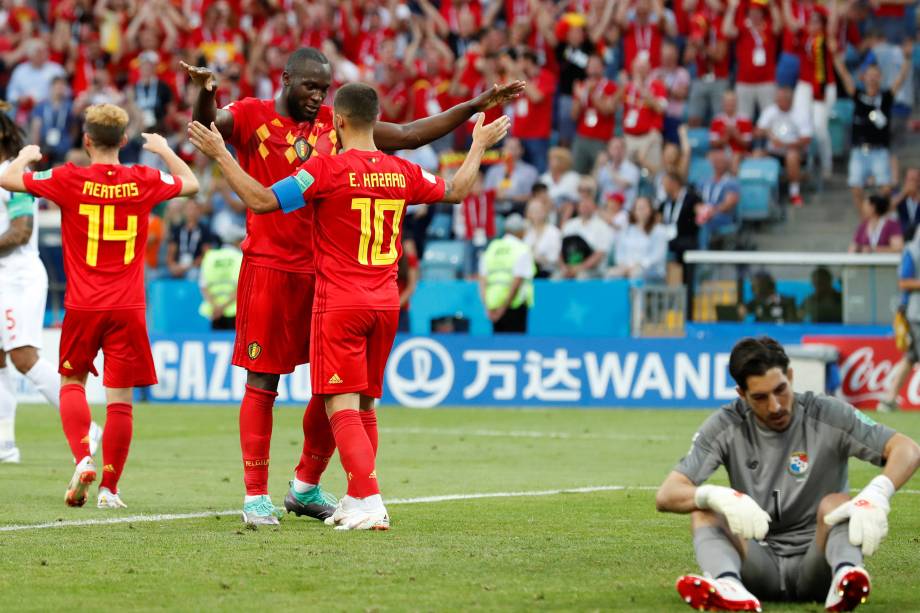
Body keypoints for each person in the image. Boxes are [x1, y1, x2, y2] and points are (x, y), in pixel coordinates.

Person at [182, 48, 523, 525]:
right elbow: (208, 126)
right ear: (285, 80)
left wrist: (475, 104)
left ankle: (305, 485)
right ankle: (255, 494)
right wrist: (204, 91)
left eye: (324, 89)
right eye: (310, 87)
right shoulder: (251, 115)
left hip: (327, 279)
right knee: (264, 382)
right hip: (271, 268)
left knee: (330, 389)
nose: (317, 97)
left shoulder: (335, 124)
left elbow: (408, 133)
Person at [0, 103, 199, 508]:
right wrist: (162, 149)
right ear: (124, 140)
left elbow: (8, 179)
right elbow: (191, 182)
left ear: (86, 140)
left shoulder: (68, 178)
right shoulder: (143, 179)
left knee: (73, 383)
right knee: (120, 401)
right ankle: (111, 489)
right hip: (128, 306)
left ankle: (83, 457)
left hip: (84, 304)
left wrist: (24, 156)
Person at [656, 336, 920, 612]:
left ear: (791, 376)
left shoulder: (828, 413)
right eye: (760, 397)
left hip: (819, 564)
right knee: (703, 509)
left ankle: (845, 579)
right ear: (741, 395)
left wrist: (878, 494)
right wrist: (717, 495)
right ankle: (729, 587)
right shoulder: (726, 424)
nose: (776, 406)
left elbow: (907, 449)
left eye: (780, 390)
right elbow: (667, 494)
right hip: (759, 564)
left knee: (838, 504)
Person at [0, 101, 101, 464]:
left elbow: (22, 231)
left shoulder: (14, 176)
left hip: (18, 277)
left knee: (24, 357)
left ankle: (86, 428)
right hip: (2, 278)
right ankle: (5, 444)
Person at [831, 39, 910, 210]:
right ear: (864, 77)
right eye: (869, 75)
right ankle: (864, 222)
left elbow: (900, 80)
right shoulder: (858, 95)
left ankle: (882, 218)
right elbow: (845, 77)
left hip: (880, 150)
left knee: (886, 187)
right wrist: (836, 57)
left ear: (880, 77)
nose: (872, 79)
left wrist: (907, 60)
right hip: (860, 150)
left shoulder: (886, 97)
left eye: (876, 75)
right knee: (855, 186)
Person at [878, 231, 920, 412]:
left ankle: (889, 399)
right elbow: (903, 282)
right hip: (917, 313)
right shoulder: (912, 251)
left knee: (911, 356)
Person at [723, 0, 782, 121]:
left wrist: (772, 5)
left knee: (771, 118)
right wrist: (732, 9)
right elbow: (727, 31)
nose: (754, 15)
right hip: (745, 81)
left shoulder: (768, 27)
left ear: (763, 13)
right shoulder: (743, 28)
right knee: (743, 119)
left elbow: (779, 26)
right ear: (748, 14)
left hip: (767, 80)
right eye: (751, 12)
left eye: (757, 12)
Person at [755, 86, 811, 207]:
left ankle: (794, 193)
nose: (778, 103)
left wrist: (785, 144)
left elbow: (806, 139)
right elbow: (757, 131)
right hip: (772, 151)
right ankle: (762, 194)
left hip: (793, 150)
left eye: (781, 100)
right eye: (777, 100)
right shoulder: (770, 111)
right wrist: (768, 133)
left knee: (791, 156)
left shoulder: (800, 113)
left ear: (789, 101)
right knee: (756, 155)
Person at [479, 213, 535, 333]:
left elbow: (483, 280)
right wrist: (503, 308)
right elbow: (517, 281)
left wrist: (486, 307)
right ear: (520, 232)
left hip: (493, 305)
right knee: (515, 346)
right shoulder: (522, 249)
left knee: (499, 347)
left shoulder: (492, 248)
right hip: (515, 305)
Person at [572, 55, 621, 173]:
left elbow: (607, 110)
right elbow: (574, 115)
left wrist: (592, 93)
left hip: (601, 139)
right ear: (586, 69)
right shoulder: (582, 86)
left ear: (603, 68)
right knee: (576, 172)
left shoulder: (611, 86)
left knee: (599, 173)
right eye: (591, 65)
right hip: (582, 136)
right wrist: (579, 96)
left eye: (596, 65)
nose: (593, 68)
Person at [560, 177, 615, 279]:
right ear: (578, 207)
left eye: (588, 204)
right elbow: (561, 249)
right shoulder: (570, 225)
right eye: (582, 204)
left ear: (594, 206)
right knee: (556, 277)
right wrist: (564, 267)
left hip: (593, 270)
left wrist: (579, 268)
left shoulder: (602, 226)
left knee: (582, 277)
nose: (585, 207)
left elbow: (600, 254)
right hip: (569, 266)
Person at [622, 54, 667, 173]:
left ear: (649, 68)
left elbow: (661, 109)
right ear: (632, 68)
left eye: (643, 66)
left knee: (652, 173)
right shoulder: (628, 87)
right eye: (637, 67)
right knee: (628, 173)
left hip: (649, 137)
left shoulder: (657, 85)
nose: (640, 70)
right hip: (630, 137)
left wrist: (642, 90)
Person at [607, 196, 668, 281]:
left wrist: (639, 265)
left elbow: (657, 256)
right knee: (611, 274)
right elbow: (620, 254)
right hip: (627, 267)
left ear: (650, 210)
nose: (641, 211)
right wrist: (625, 266)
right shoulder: (626, 230)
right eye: (638, 208)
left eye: (644, 208)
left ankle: (635, 294)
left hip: (652, 270)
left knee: (636, 274)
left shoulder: (659, 230)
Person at [199, 226, 244, 331]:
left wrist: (216, 307)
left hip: (214, 312)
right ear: (236, 241)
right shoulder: (239, 257)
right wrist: (223, 307)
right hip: (234, 310)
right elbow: (241, 287)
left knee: (217, 342)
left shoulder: (209, 256)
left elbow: (203, 286)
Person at [696, 148, 741, 250]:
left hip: (721, 216)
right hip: (703, 212)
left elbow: (729, 203)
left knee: (704, 222)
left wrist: (712, 211)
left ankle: (703, 255)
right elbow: (696, 198)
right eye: (715, 162)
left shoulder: (731, 182)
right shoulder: (704, 181)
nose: (718, 164)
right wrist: (700, 209)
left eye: (721, 162)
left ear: (726, 164)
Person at [484, 137, 539, 212]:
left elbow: (534, 196)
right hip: (494, 212)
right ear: (502, 149)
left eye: (515, 148)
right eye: (509, 147)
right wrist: (495, 195)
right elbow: (484, 194)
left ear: (522, 150)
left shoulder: (530, 172)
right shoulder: (493, 171)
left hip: (520, 212)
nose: (511, 151)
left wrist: (509, 197)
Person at [166, 199, 213, 279]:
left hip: (195, 266)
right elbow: (170, 253)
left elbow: (206, 255)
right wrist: (173, 266)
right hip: (178, 265)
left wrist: (188, 266)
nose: (191, 212)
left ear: (199, 211)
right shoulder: (177, 229)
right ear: (184, 211)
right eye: (189, 209)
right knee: (159, 274)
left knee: (193, 274)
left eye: (194, 209)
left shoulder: (204, 230)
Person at [709, 91, 754, 174]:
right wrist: (726, 136)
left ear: (736, 103)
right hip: (722, 152)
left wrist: (736, 134)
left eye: (732, 102)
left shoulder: (745, 119)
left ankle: (734, 182)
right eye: (727, 102)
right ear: (723, 104)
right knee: (711, 155)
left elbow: (748, 144)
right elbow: (713, 143)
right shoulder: (717, 120)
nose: (730, 105)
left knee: (735, 156)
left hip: (741, 153)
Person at [596, 137, 641, 209]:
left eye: (619, 148)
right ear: (609, 150)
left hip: (624, 210)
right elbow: (596, 186)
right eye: (613, 148)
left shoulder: (632, 169)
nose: (616, 151)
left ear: (624, 150)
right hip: (604, 208)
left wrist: (607, 167)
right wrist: (597, 166)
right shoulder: (604, 168)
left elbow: (623, 185)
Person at [524, 197, 562, 279]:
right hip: (528, 271)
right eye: (533, 211)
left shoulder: (553, 232)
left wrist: (541, 259)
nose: (536, 214)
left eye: (538, 211)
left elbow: (555, 258)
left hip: (549, 272)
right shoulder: (525, 232)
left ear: (545, 212)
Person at [893, 168, 920, 242]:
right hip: (902, 232)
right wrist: (904, 194)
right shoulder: (898, 193)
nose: (912, 183)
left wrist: (916, 195)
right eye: (910, 179)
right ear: (905, 180)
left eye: (915, 180)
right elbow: (888, 207)